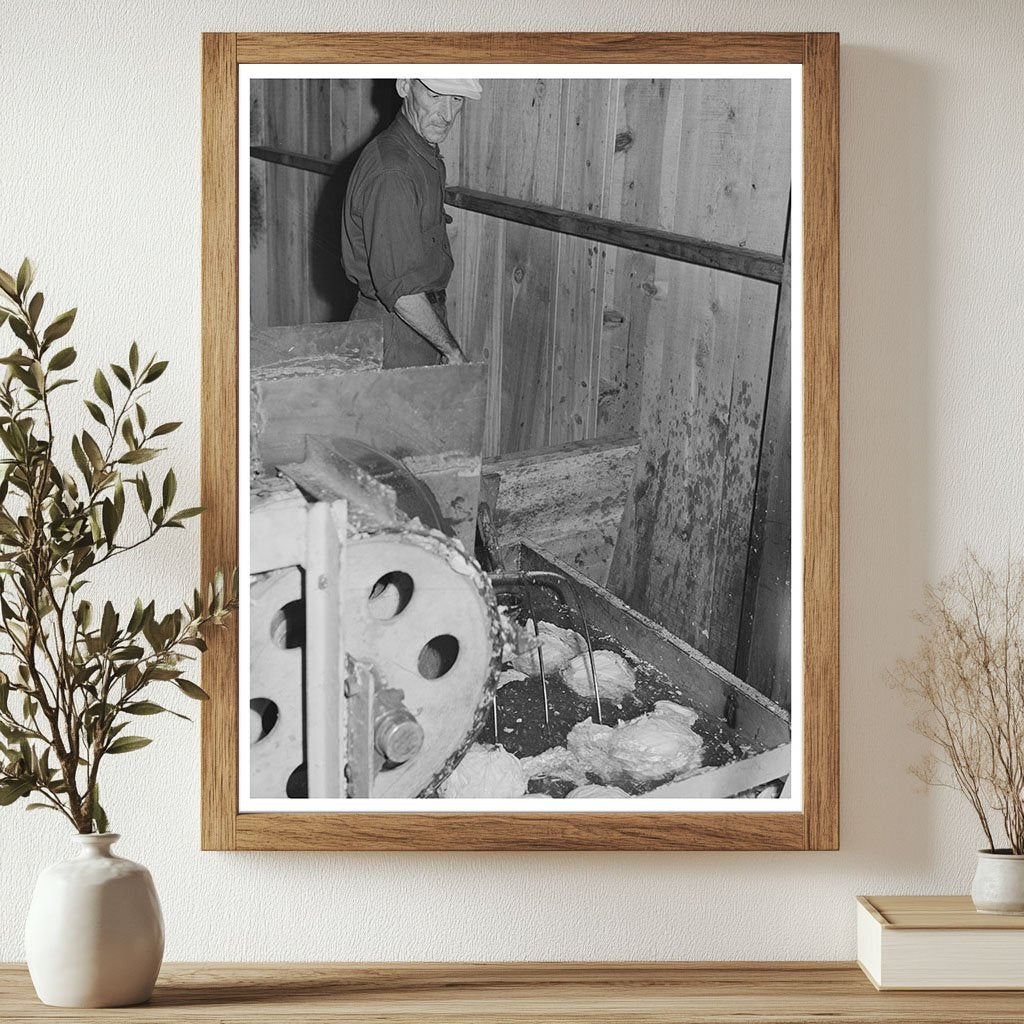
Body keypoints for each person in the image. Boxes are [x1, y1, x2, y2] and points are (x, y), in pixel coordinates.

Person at [342, 78, 482, 368]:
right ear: (405, 86)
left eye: (456, 100)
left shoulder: (420, 153)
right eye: (435, 96)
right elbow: (402, 292)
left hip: (413, 326)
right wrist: (452, 350)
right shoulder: (394, 171)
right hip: (394, 332)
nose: (447, 114)